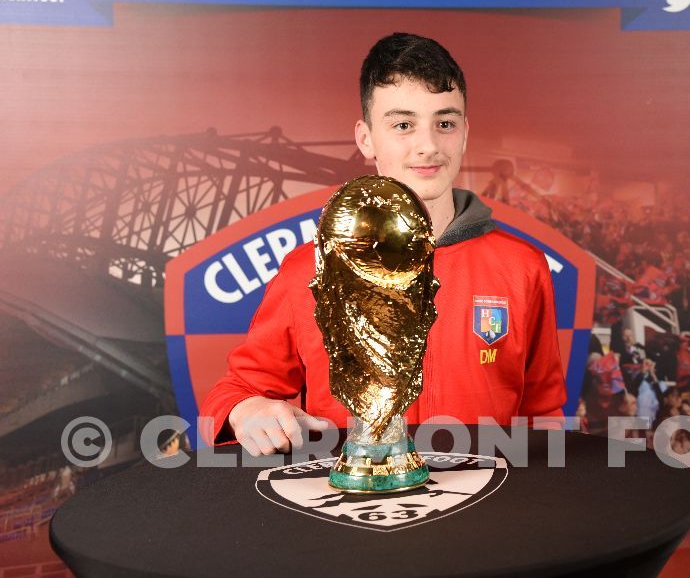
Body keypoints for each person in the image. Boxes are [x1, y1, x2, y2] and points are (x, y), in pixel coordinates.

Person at [201, 33, 566, 456]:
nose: (428, 145)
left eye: (444, 123)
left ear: (464, 133)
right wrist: (246, 410)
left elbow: (545, 414)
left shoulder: (521, 266)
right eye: (403, 125)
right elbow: (234, 391)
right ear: (366, 138)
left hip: (483, 511)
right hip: (349, 511)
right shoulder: (308, 267)